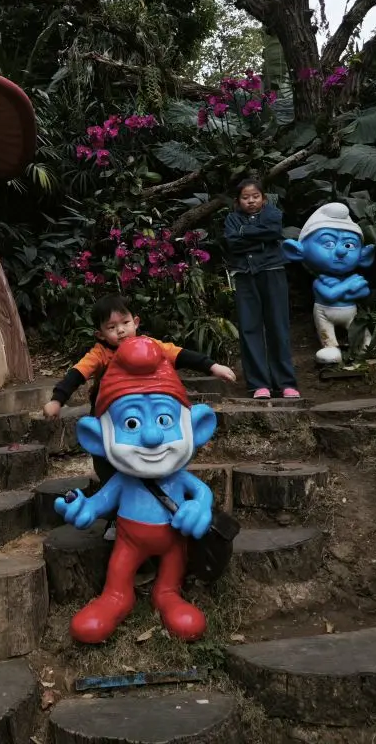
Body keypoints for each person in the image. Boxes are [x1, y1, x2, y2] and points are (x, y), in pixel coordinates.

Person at [43, 294, 236, 537]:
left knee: (165, 463)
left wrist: (213, 366)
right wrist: (57, 400)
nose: (120, 331)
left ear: (135, 322)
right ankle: (116, 518)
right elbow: (76, 374)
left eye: (125, 323)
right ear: (100, 334)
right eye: (111, 327)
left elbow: (181, 354)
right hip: (114, 422)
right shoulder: (100, 354)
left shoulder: (151, 346)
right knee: (109, 470)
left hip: (153, 418)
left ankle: (169, 511)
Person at [223, 178, 300, 400]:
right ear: (238, 201)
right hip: (245, 275)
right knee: (249, 328)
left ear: (263, 199)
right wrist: (260, 238)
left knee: (278, 326)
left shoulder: (272, 213)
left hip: (272, 271)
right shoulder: (232, 219)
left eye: (255, 196)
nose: (251, 201)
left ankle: (285, 383)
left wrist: (244, 232)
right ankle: (258, 384)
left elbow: (274, 232)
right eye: (245, 197)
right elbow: (232, 243)